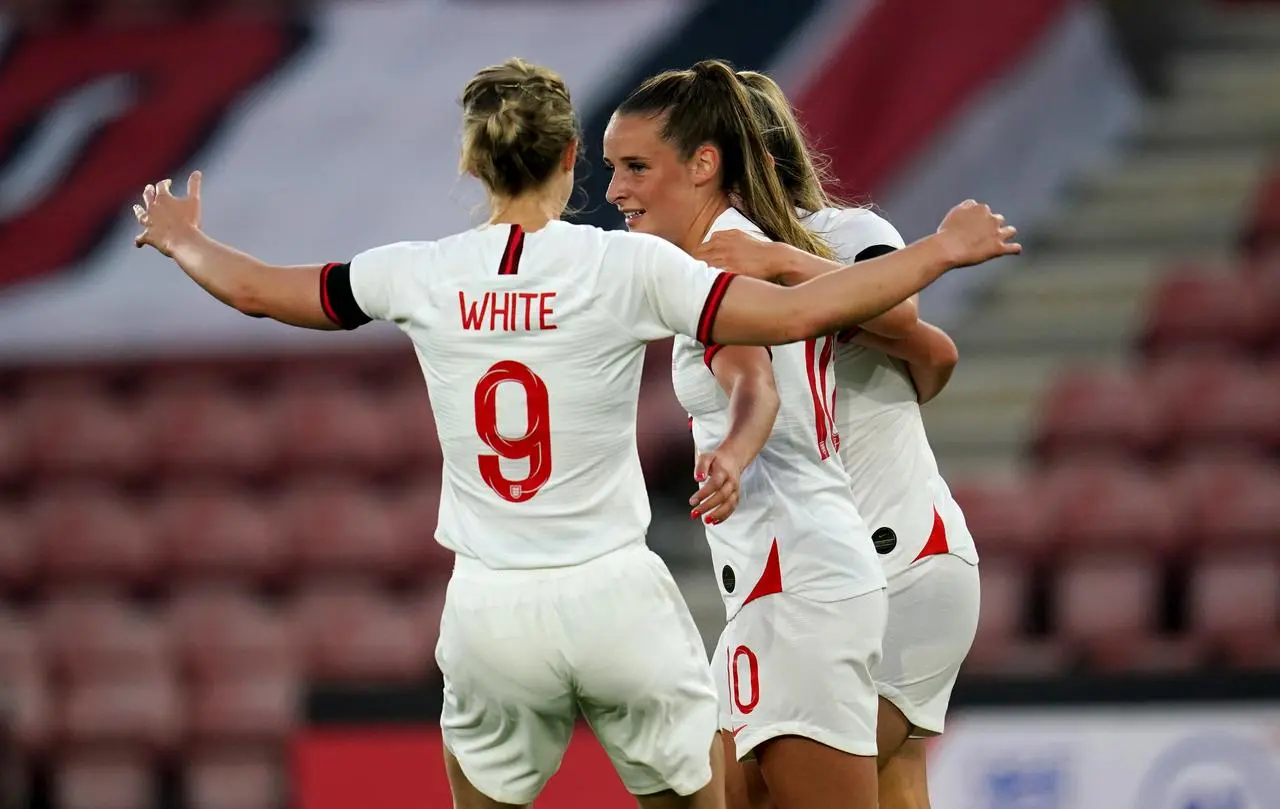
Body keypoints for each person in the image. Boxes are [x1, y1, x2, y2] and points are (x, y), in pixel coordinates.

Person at [132, 57, 1017, 809]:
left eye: (634, 166)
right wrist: (937, 250)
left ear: (473, 163)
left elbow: (257, 290)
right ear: (568, 156)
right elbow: (794, 319)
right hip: (616, 595)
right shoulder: (625, 265)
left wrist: (182, 241)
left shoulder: (418, 271)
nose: (619, 186)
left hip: (490, 604)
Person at [601, 59, 1001, 809]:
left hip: (890, 550)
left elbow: (922, 340)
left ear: (717, 159)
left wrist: (788, 267)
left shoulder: (837, 237)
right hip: (813, 565)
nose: (618, 187)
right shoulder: (711, 259)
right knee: (887, 782)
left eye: (637, 166)